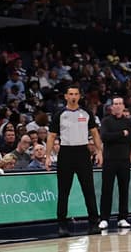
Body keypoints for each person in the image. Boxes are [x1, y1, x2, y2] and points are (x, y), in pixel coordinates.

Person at [46, 85, 102, 237]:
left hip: (83, 153)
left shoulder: (86, 113)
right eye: (70, 94)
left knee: (89, 190)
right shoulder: (59, 114)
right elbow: (51, 136)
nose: (73, 96)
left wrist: (99, 152)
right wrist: (47, 157)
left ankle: (94, 223)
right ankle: (62, 225)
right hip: (66, 153)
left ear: (79, 96)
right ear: (66, 96)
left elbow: (95, 134)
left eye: (76, 94)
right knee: (64, 191)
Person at [98, 96, 131, 231]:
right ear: (112, 107)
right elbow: (105, 137)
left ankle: (123, 218)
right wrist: (121, 134)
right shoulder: (106, 121)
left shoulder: (128, 122)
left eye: (120, 103)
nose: (118, 106)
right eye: (115, 104)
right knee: (106, 190)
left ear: (123, 105)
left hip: (124, 161)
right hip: (109, 160)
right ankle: (104, 219)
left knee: (124, 190)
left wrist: (119, 136)